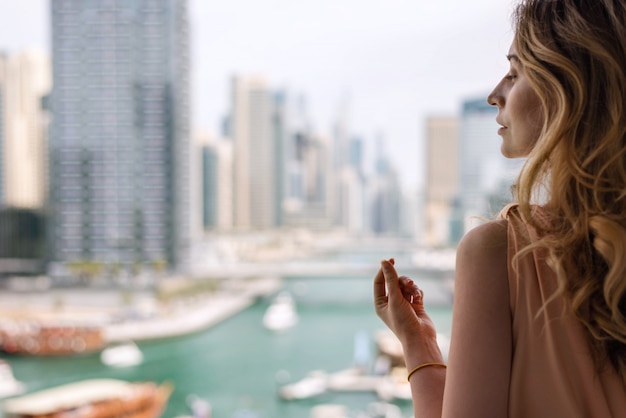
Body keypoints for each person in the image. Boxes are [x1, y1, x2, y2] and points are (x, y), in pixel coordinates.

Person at [374, 0, 626, 416]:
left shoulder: (502, 253)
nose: (495, 96)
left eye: (514, 72)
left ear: (570, 86)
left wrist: (418, 346)